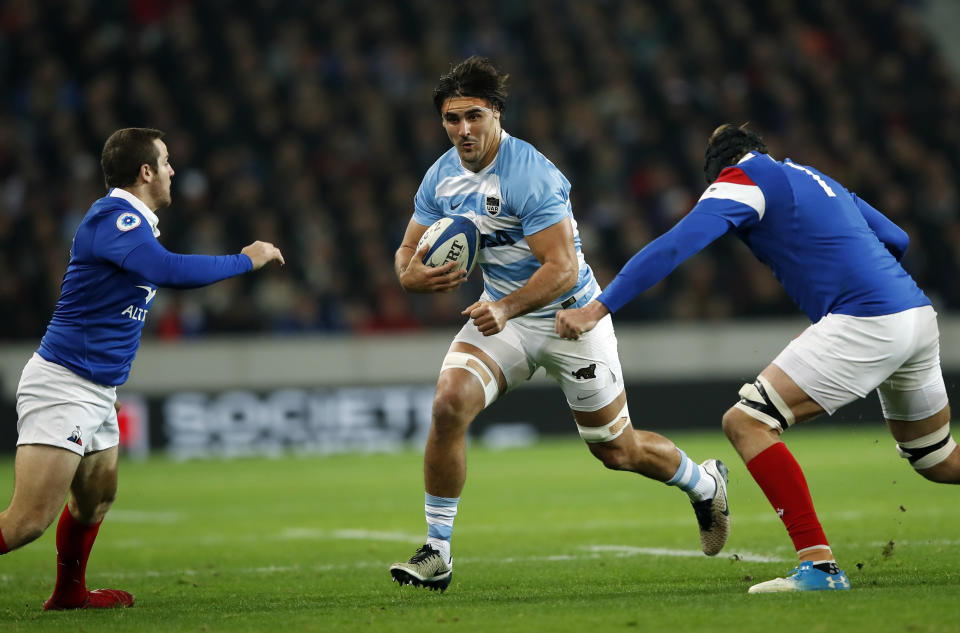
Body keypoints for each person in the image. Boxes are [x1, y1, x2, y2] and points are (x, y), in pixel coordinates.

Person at [556, 123, 960, 593]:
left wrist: (598, 307)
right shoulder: (814, 177)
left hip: (866, 319)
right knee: (938, 459)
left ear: (717, 168)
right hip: (915, 313)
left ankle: (820, 567)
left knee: (746, 423)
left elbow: (674, 246)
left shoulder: (742, 182)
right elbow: (897, 239)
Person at [388, 57, 730, 592]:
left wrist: (503, 308)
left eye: (474, 116)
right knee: (448, 403)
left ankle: (704, 482)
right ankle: (437, 550)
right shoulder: (442, 175)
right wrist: (410, 279)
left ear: (496, 113)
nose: (463, 131)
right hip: (504, 319)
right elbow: (409, 248)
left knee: (616, 450)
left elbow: (562, 268)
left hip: (571, 318)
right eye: (452, 120)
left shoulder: (532, 174)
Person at [0, 127, 285, 609]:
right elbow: (168, 270)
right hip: (63, 384)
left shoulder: (136, 224)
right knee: (27, 521)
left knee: (96, 498)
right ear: (146, 171)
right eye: (167, 161)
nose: (174, 170)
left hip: (98, 388)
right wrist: (244, 259)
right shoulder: (114, 218)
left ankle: (69, 595)